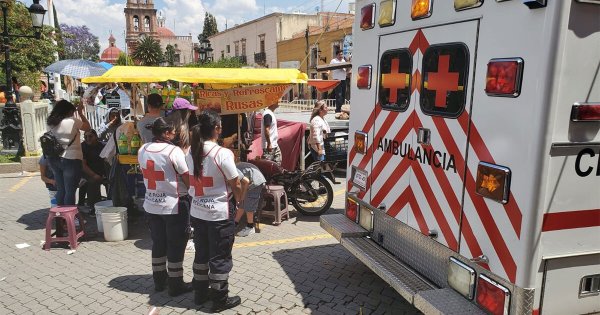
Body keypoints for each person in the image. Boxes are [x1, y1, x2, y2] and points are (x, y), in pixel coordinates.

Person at [187, 110, 242, 311]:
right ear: (217, 129)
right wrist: (240, 200)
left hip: (198, 211)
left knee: (201, 254)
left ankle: (199, 294)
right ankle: (219, 299)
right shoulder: (222, 154)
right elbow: (236, 184)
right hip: (219, 213)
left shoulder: (190, 153)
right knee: (220, 256)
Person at [138, 117, 192, 297]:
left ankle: (159, 281)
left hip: (152, 205)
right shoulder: (173, 151)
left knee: (158, 243)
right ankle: (176, 284)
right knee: (176, 244)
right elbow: (186, 176)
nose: (176, 134)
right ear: (167, 133)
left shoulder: (143, 149)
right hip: (174, 205)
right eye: (173, 132)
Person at [46, 100, 91, 206]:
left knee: (61, 190)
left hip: (54, 159)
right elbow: (88, 127)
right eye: (72, 111)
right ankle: (69, 217)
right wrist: (80, 113)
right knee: (70, 191)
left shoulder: (50, 123)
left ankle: (60, 218)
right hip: (71, 159)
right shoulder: (72, 121)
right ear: (68, 111)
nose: (73, 113)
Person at [234, 162, 266, 237]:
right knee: (242, 204)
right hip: (250, 180)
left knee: (249, 205)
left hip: (255, 182)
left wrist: (242, 196)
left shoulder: (233, 171)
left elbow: (246, 182)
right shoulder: (231, 168)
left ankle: (250, 227)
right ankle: (235, 223)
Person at [78, 129, 106, 216]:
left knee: (112, 181)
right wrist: (94, 175)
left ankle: (112, 203)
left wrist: (105, 174)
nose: (88, 139)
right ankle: (94, 207)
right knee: (93, 182)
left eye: (90, 136)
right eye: (85, 137)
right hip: (88, 173)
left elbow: (106, 160)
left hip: (101, 171)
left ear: (96, 137)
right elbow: (83, 165)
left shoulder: (101, 145)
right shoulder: (82, 147)